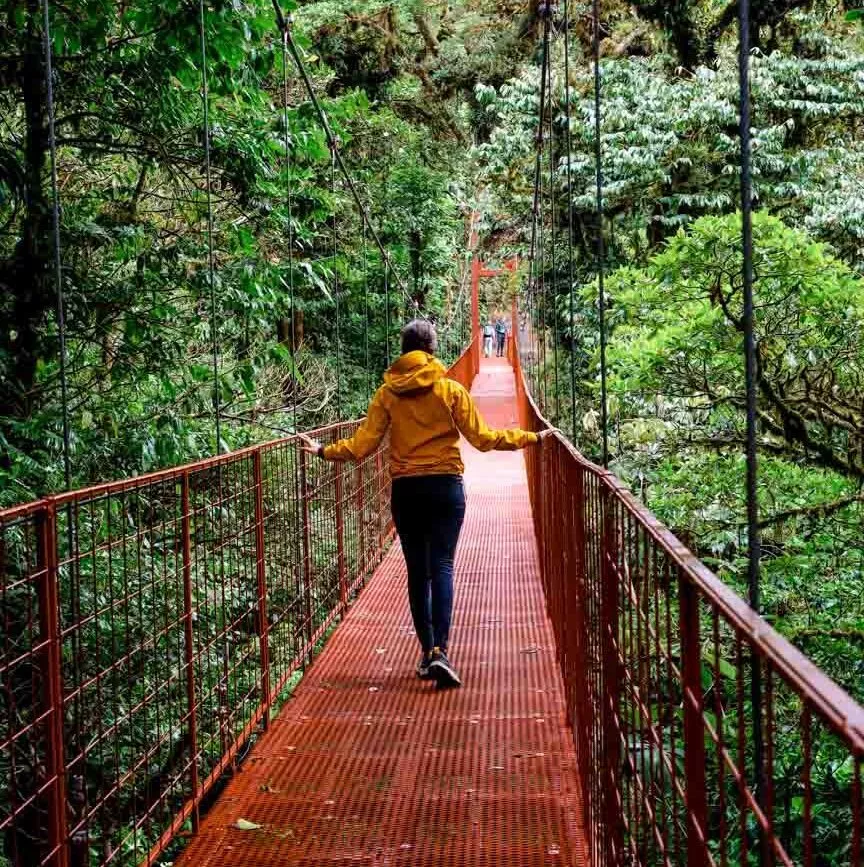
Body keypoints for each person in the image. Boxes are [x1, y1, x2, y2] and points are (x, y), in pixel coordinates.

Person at [298, 319, 550, 689]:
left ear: (404, 351)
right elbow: (483, 439)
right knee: (443, 566)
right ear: (431, 350)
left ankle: (427, 650)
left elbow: (362, 446)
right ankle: (441, 652)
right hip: (446, 488)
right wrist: (532, 437)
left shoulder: (387, 394)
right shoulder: (450, 390)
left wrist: (323, 450)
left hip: (408, 492)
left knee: (418, 573)